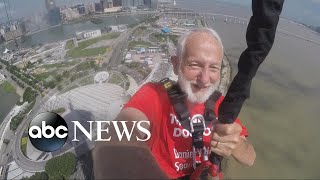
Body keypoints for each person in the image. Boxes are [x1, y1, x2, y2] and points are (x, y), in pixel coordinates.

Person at [94, 28, 256, 179]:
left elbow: (250, 159)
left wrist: (236, 145)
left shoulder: (221, 105)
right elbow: (115, 139)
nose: (205, 79)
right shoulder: (154, 95)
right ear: (176, 64)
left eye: (213, 68)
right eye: (195, 65)